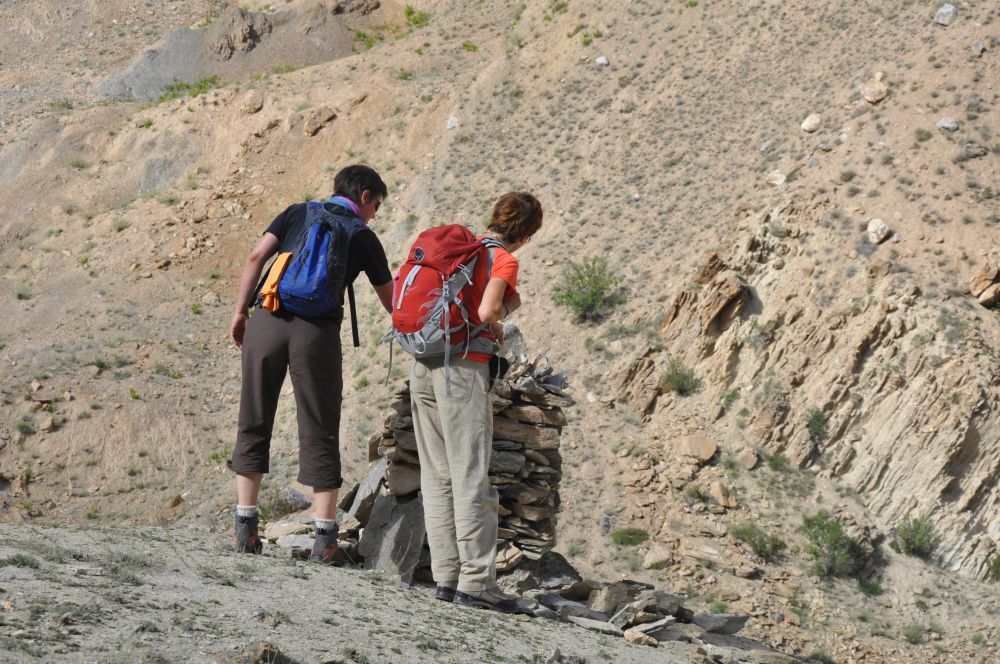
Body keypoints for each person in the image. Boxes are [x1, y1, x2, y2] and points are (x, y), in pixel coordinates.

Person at [228, 164, 394, 562]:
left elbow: (255, 256)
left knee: (254, 416)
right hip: (315, 334)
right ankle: (325, 541)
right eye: (377, 205)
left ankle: (245, 530)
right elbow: (392, 302)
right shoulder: (362, 235)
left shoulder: (296, 212)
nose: (375, 214)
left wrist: (239, 314)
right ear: (365, 196)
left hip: (267, 318)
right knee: (319, 426)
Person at [409, 192, 543, 613]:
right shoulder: (502, 258)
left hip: (423, 364)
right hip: (463, 371)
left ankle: (446, 577)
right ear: (527, 232)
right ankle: (477, 582)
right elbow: (488, 311)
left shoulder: (461, 250)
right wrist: (508, 305)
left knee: (437, 475)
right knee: (471, 475)